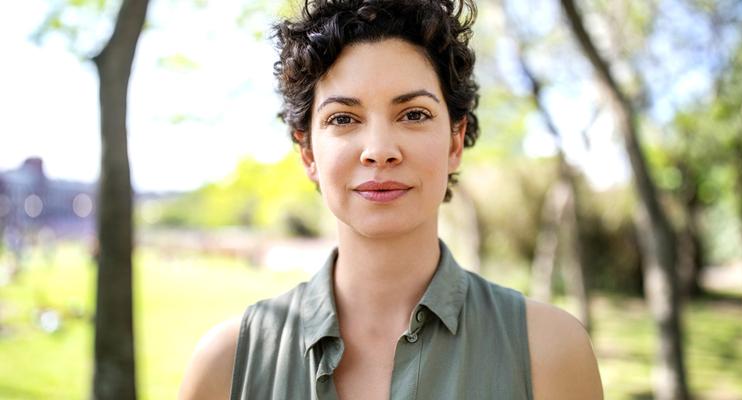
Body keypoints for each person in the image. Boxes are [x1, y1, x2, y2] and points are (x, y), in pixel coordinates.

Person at [179, 0, 603, 399]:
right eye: (343, 118)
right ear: (308, 152)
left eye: (413, 114)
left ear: (455, 142)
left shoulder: (550, 351)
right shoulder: (225, 365)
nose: (379, 149)